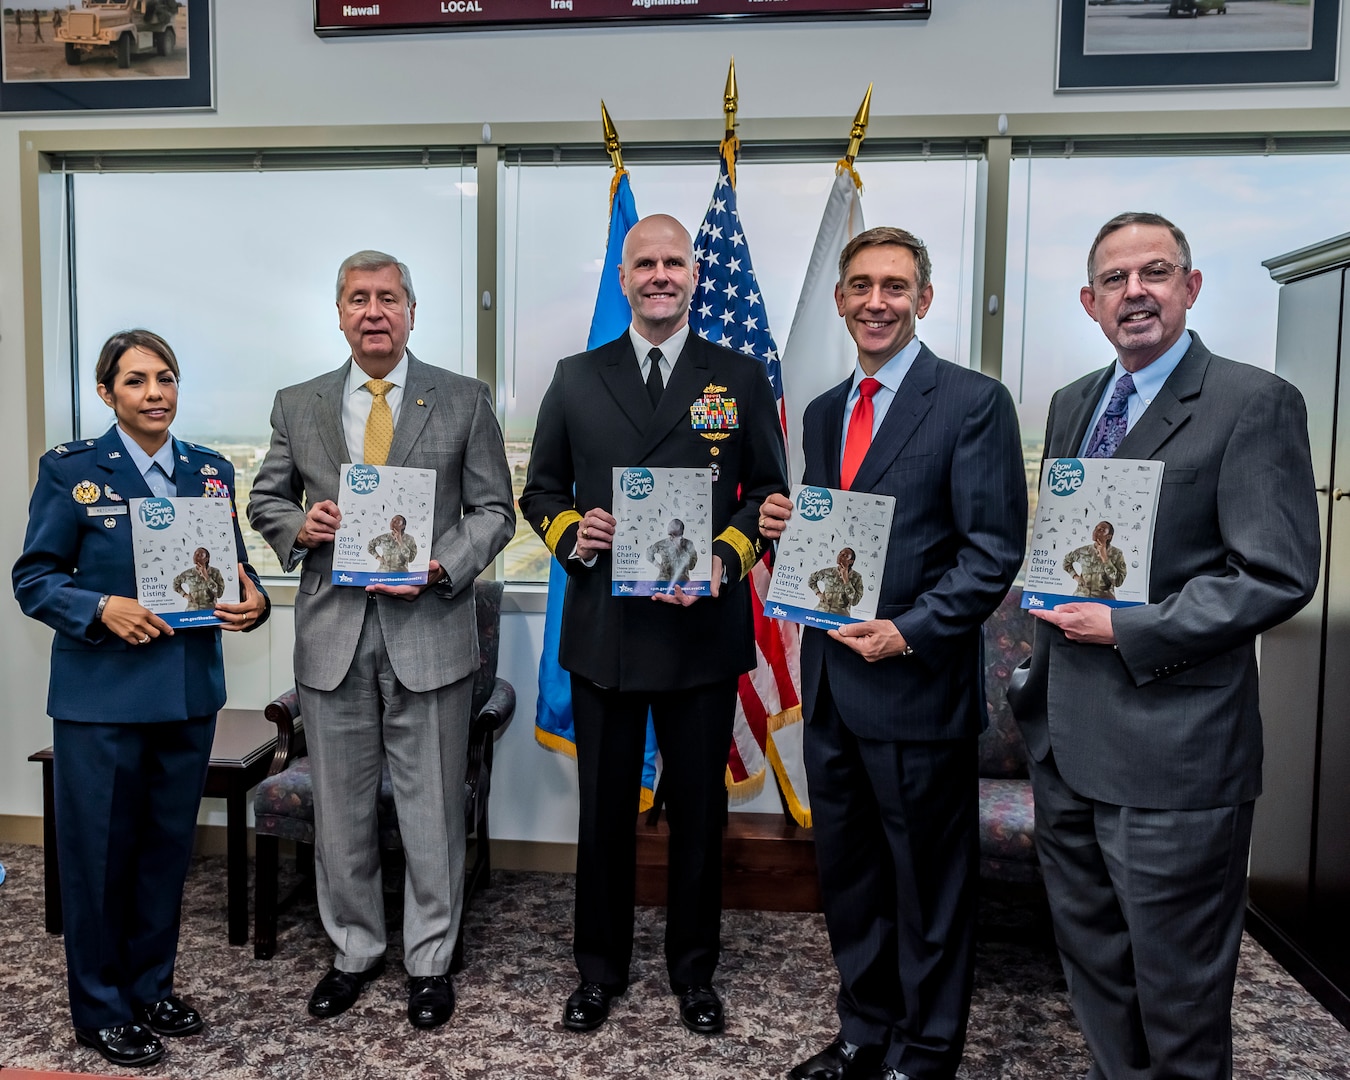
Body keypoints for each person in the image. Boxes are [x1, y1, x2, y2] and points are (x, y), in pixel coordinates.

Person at [1007, 211, 1320, 1080]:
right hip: (1065, 739)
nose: (1134, 291)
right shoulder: (1075, 403)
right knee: (1096, 971)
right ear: (1089, 300)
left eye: (1155, 272)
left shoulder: (1252, 402)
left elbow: (1276, 573)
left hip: (1175, 755)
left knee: (1178, 991)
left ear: (1191, 287)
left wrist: (1130, 627)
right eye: (1115, 279)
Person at [760, 226, 1026, 1080]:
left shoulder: (973, 402)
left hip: (915, 683)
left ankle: (926, 1051)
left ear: (924, 299)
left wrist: (908, 629)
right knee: (852, 878)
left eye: (896, 287)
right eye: (862, 286)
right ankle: (863, 1033)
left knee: (928, 888)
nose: (878, 302)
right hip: (834, 684)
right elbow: (843, 542)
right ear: (840, 298)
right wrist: (783, 532)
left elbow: (991, 551)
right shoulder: (823, 411)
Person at [521, 213, 788, 1036]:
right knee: (602, 814)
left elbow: (766, 499)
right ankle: (597, 971)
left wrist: (724, 558)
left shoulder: (739, 377)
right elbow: (541, 493)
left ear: (694, 277)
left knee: (700, 818)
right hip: (607, 632)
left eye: (675, 262)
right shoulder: (575, 375)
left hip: (703, 635)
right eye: (646, 263)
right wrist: (576, 534)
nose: (660, 275)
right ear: (626, 276)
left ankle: (693, 972)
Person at [247, 250, 515, 1030]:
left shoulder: (463, 400)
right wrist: (302, 524)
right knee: (341, 811)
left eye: (388, 298)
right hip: (333, 636)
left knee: (432, 810)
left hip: (428, 631)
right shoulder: (298, 404)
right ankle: (355, 951)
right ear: (338, 313)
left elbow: (496, 510)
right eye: (358, 299)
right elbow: (266, 499)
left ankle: (430, 961)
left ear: (410, 312)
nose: (373, 311)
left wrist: (441, 565)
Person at [13, 329, 269, 1070]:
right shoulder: (72, 472)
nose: (155, 392)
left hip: (188, 695)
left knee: (164, 855)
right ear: (107, 394)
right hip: (102, 700)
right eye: (135, 381)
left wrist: (253, 604)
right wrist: (100, 609)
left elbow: (235, 573)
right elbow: (34, 579)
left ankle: (152, 988)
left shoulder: (211, 471)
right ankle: (100, 1009)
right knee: (98, 860)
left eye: (166, 378)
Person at [1062, 520, 1126, 600]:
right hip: (1081, 598)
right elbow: (1066, 562)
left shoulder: (1117, 554)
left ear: (1109, 536)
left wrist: (1105, 558)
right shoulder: (1083, 550)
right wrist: (1076, 577)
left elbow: (1118, 582)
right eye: (1096, 528)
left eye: (1101, 530)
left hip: (1104, 601)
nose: (1096, 531)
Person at [808, 547, 863, 617]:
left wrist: (846, 580)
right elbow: (811, 580)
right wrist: (818, 594)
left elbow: (854, 601)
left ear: (851, 561)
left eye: (845, 556)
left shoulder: (857, 577)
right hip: (821, 612)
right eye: (840, 553)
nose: (840, 556)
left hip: (839, 617)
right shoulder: (828, 571)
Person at [646, 517, 697, 586]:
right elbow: (649, 553)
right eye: (672, 535)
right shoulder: (662, 544)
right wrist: (658, 566)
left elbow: (691, 567)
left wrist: (680, 549)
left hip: (682, 582)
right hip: (664, 581)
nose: (673, 538)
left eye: (676, 536)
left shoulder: (688, 544)